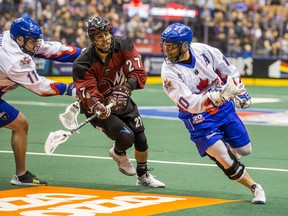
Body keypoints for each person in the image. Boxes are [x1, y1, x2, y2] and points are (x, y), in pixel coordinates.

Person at [160, 23, 266, 203]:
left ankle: (221, 146)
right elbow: (191, 104)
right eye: (165, 45)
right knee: (223, 156)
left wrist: (240, 90)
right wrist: (219, 96)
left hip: (224, 109)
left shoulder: (204, 51)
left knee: (245, 150)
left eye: (171, 46)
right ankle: (255, 187)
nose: (167, 50)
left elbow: (229, 71)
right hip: (198, 117)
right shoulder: (168, 72)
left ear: (185, 45)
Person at [72, 16, 165, 188]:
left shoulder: (123, 44)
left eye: (107, 34)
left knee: (141, 139)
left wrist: (126, 88)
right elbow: (90, 93)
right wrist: (99, 105)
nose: (106, 39)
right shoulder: (82, 63)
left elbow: (138, 73)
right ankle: (118, 153)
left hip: (121, 98)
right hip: (97, 108)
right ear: (92, 39)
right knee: (126, 136)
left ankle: (143, 177)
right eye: (100, 36)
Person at [0, 17, 82, 186]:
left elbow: (52, 49)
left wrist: (87, 54)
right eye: (33, 40)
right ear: (21, 39)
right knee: (20, 123)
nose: (37, 44)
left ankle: (21, 176)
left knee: (20, 124)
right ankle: (21, 175)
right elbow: (40, 87)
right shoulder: (13, 59)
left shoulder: (14, 37)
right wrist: (69, 89)